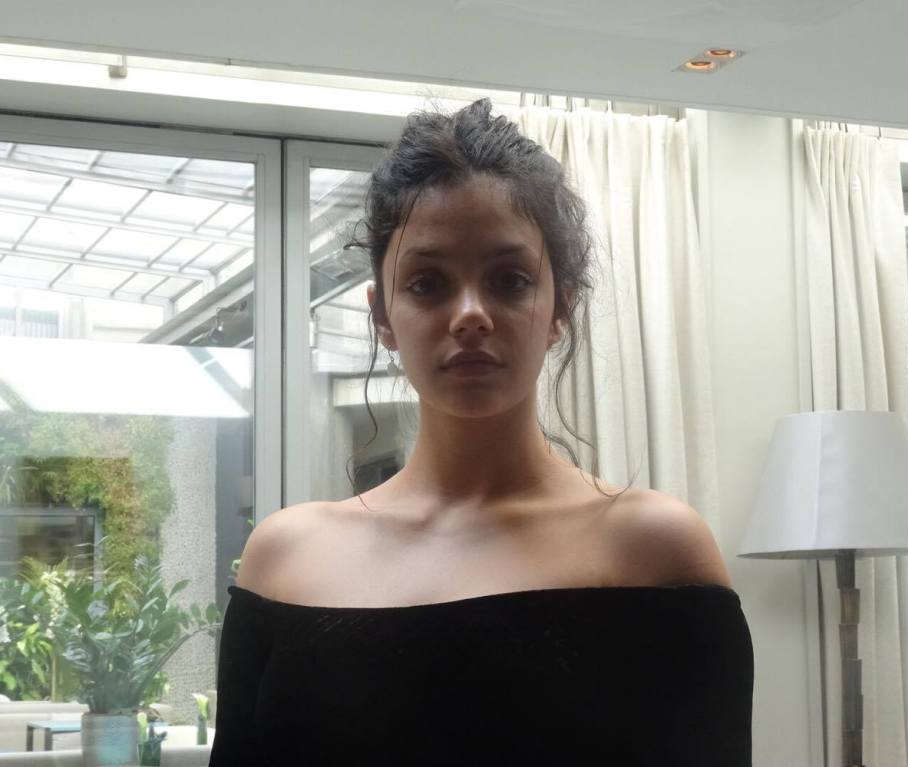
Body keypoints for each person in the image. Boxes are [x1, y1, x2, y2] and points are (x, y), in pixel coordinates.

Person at [209, 97, 753, 766]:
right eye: (428, 284)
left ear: (561, 307)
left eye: (509, 280)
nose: (470, 313)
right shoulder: (285, 559)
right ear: (383, 316)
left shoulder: (654, 549)